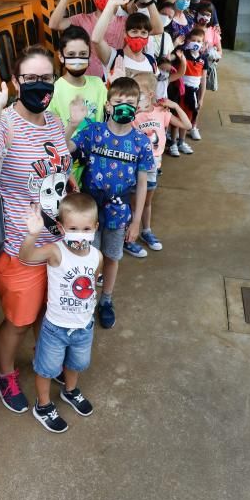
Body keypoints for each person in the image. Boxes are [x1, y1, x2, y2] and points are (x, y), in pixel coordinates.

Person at [0, 46, 72, 413]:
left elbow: (61, 171)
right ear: (15, 82)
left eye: (46, 78)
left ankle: (45, 360)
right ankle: (4, 373)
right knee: (19, 319)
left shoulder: (55, 122)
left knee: (47, 313)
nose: (39, 85)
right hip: (18, 246)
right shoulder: (6, 124)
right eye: (30, 78)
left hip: (56, 242)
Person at [66, 77, 154, 327]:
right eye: (119, 102)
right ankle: (86, 298)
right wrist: (72, 124)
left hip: (119, 210)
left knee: (112, 256)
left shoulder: (141, 142)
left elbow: (142, 183)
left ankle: (106, 299)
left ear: (138, 107)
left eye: (130, 103)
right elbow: (64, 147)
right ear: (108, 106)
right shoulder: (94, 132)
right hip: (89, 209)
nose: (124, 107)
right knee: (87, 256)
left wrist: (136, 222)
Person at [19, 194, 102, 433]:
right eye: (73, 228)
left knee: (76, 364)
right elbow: (26, 257)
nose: (80, 233)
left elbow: (92, 284)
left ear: (95, 228)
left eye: (86, 228)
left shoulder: (97, 256)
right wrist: (33, 234)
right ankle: (43, 405)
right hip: (55, 328)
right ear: (61, 227)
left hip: (84, 326)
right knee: (46, 369)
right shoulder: (55, 252)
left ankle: (70, 391)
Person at [132, 73, 192, 252]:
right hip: (135, 166)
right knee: (133, 202)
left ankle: (146, 230)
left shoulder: (162, 113)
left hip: (154, 166)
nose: (134, 96)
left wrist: (174, 105)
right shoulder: (133, 115)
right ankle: (130, 235)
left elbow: (187, 125)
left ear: (150, 94)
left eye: (138, 92)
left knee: (147, 202)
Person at [48, 25, 107, 183]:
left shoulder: (98, 85)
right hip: (69, 169)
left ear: (89, 56)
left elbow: (110, 117)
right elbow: (51, 139)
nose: (77, 59)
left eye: (82, 54)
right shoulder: (54, 91)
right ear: (61, 57)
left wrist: (119, 84)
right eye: (71, 55)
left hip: (96, 164)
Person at [93, 0, 159, 84]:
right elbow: (96, 40)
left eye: (143, 33)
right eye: (134, 31)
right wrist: (110, 5)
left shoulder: (151, 61)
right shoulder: (113, 56)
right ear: (125, 34)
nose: (139, 36)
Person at [177, 27, 208, 150]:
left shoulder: (203, 59)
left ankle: (181, 141)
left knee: (188, 115)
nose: (196, 43)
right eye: (193, 40)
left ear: (203, 43)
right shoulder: (182, 54)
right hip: (180, 90)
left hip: (193, 93)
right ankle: (174, 140)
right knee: (176, 114)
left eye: (199, 41)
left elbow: (203, 80)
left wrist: (201, 98)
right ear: (188, 41)